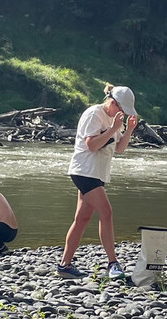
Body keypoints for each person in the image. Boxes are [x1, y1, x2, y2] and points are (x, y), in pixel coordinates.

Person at [56, 84, 138, 279]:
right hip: (84, 171)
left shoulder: (113, 119)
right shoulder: (94, 114)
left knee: (82, 218)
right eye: (122, 109)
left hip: (96, 173)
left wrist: (128, 130)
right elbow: (91, 145)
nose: (123, 114)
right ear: (112, 102)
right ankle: (112, 263)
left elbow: (119, 149)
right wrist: (113, 129)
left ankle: (64, 265)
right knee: (106, 212)